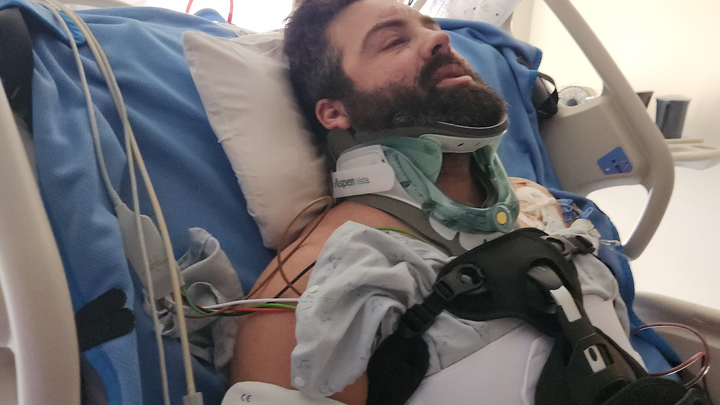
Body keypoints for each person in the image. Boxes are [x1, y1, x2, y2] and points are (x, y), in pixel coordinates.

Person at [226, 1, 638, 404]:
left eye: (430, 27)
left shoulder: (538, 206)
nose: (440, 39)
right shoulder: (310, 293)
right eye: (393, 41)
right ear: (334, 112)